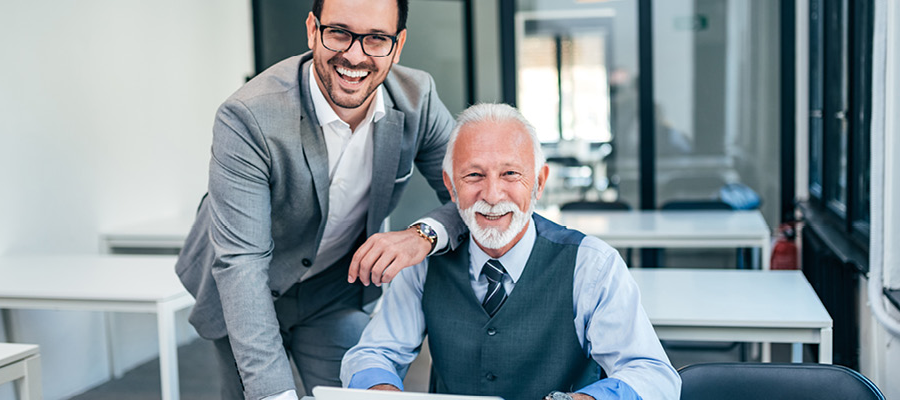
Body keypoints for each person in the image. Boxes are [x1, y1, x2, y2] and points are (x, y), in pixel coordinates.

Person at [175, 0, 467, 398]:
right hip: (246, 285)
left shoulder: (418, 99)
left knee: (352, 391)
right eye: (339, 33)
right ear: (313, 29)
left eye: (376, 39)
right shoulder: (247, 116)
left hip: (335, 288)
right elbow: (242, 264)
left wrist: (422, 235)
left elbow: (472, 197)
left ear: (397, 46)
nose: (354, 55)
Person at [341, 103, 681, 400]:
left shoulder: (591, 265)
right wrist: (379, 390)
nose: (491, 194)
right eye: (473, 175)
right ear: (450, 185)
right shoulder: (424, 265)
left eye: (510, 174)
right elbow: (373, 353)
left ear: (539, 182)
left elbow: (653, 375)